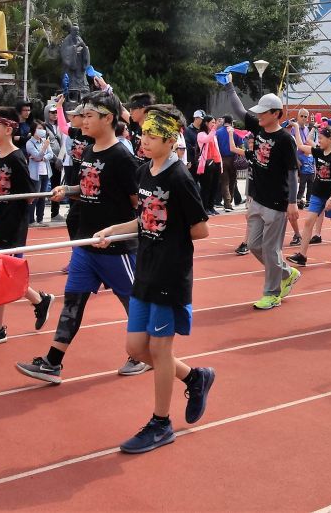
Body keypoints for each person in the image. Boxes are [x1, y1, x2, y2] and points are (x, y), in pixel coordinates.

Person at [90, 105, 215, 454]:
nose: (142, 140)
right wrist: (114, 230)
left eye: (150, 135)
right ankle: (194, 376)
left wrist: (167, 231)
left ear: (170, 139)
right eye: (142, 133)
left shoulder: (179, 178)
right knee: (136, 348)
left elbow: (201, 229)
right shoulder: (145, 171)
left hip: (169, 274)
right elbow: (144, 219)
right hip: (145, 269)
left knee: (160, 350)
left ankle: (161, 423)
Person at [16, 90, 150, 384]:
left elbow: (138, 205)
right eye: (83, 115)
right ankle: (52, 363)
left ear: (108, 118)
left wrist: (116, 233)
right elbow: (92, 188)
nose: (83, 121)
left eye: (89, 116)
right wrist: (70, 190)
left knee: (134, 303)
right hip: (86, 245)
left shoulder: (123, 157)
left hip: (117, 249)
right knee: (72, 303)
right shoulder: (90, 151)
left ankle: (144, 354)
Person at [0, 109, 54, 347]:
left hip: (13, 226)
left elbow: (29, 196)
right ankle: (39, 301)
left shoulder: (16, 158)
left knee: (1, 275)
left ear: (8, 129)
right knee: (4, 274)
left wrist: (8, 210)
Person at [221, 85, 301, 310]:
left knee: (270, 248)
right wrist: (229, 87)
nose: (258, 115)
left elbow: (292, 173)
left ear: (276, 113)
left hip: (277, 202)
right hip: (257, 199)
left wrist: (293, 202)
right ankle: (287, 273)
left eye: (263, 112)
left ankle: (272, 293)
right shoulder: (257, 127)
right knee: (255, 245)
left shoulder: (285, 140)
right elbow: (238, 110)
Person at [290, 126, 331, 267]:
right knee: (308, 222)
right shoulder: (318, 152)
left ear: (330, 139)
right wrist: (296, 127)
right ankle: (302, 255)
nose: (318, 141)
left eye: (321, 138)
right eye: (318, 138)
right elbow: (300, 145)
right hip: (317, 194)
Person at [25, 123, 54, 225]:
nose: (42, 130)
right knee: (34, 196)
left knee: (42, 196)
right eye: (39, 128)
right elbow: (36, 156)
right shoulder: (30, 143)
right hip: (35, 173)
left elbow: (51, 154)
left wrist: (43, 157)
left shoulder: (44, 141)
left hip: (45, 172)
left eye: (43, 128)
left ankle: (40, 219)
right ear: (34, 130)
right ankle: (31, 220)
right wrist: (44, 149)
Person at [216, 115, 245, 211]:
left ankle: (227, 203)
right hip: (234, 158)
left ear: (224, 121)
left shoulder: (218, 132)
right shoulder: (235, 131)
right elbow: (240, 146)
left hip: (222, 159)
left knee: (224, 181)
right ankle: (229, 202)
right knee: (233, 181)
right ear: (232, 121)